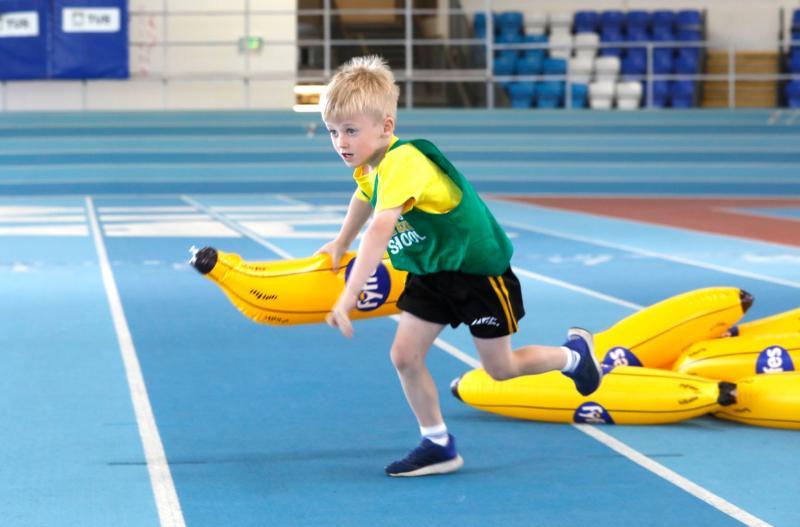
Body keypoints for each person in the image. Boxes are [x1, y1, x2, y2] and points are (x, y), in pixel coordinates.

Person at [316, 55, 603, 477]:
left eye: (351, 130)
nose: (341, 141)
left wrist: (349, 292)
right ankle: (437, 443)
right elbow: (365, 196)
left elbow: (380, 228)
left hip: (477, 272)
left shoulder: (404, 161)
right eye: (333, 132)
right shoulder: (370, 164)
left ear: (386, 127)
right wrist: (340, 241)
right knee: (404, 356)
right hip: (433, 272)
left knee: (500, 370)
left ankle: (572, 356)